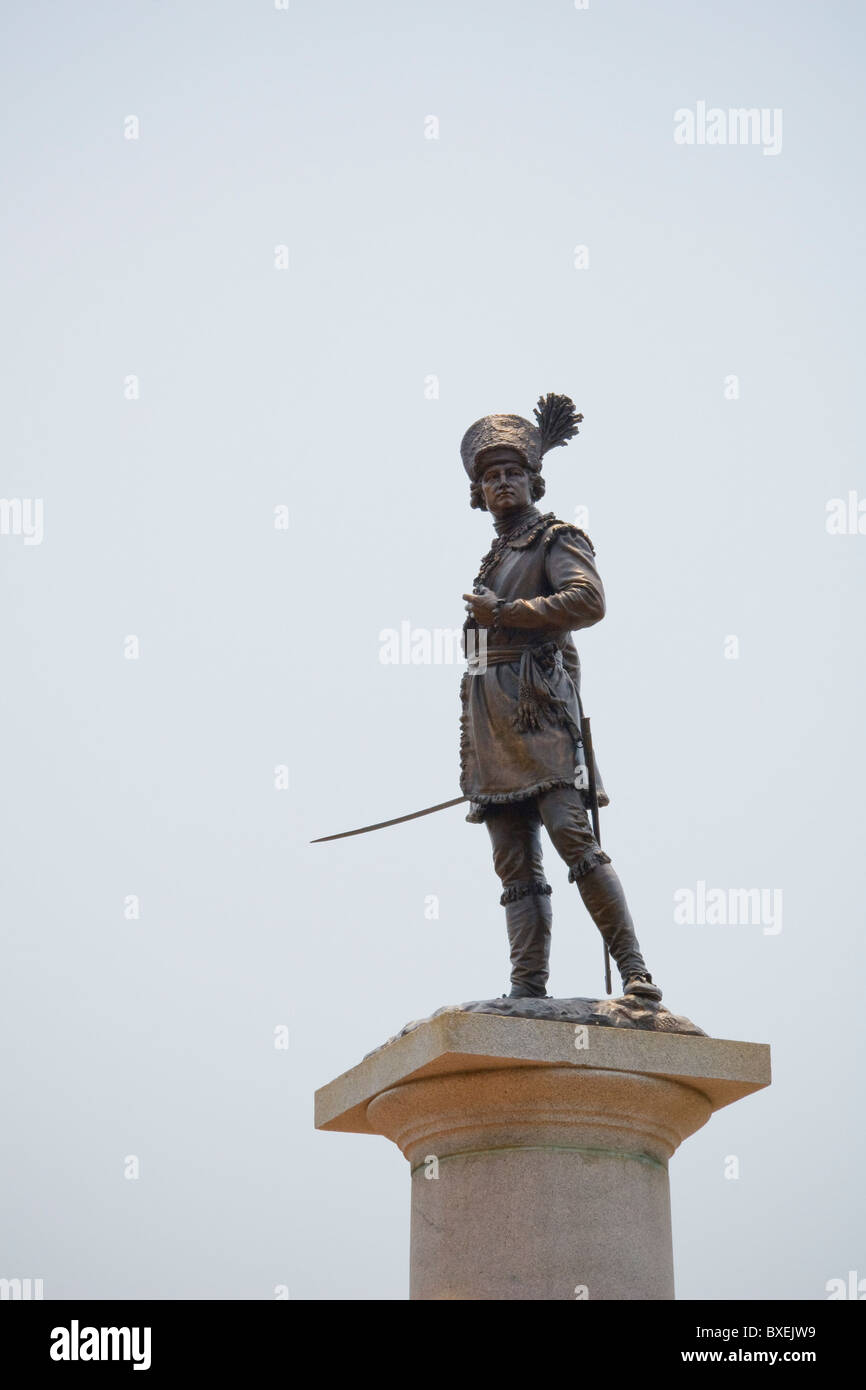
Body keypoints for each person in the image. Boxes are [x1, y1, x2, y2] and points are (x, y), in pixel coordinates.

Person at [459, 393, 662, 1002]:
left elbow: (588, 602)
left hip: (538, 709)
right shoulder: (492, 558)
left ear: (533, 480)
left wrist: (510, 614)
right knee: (514, 866)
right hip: (492, 723)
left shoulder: (557, 536)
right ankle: (527, 990)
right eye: (491, 477)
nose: (501, 484)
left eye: (512, 473)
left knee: (572, 836)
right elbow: (477, 653)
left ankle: (635, 973)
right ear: (478, 491)